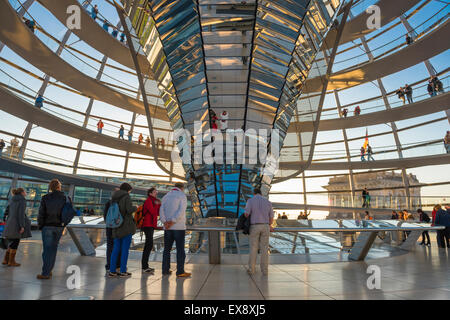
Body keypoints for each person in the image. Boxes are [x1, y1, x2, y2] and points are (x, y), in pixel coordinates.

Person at [36, 179, 66, 279]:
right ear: (59, 187)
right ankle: (49, 270)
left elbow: (41, 213)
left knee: (47, 250)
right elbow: (68, 213)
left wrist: (40, 226)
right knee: (53, 249)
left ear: (50, 187)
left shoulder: (45, 198)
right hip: (59, 227)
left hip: (47, 226)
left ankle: (45, 273)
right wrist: (63, 224)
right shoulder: (65, 198)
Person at [160, 182, 191, 277]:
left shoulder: (166, 196)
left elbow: (161, 210)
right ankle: (180, 271)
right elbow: (181, 211)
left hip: (167, 228)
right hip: (178, 227)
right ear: (182, 188)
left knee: (167, 249)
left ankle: (165, 270)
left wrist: (165, 222)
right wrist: (173, 221)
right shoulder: (182, 195)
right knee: (180, 249)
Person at [108, 183, 137, 277]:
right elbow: (128, 210)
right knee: (125, 250)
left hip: (116, 226)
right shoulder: (126, 196)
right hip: (126, 226)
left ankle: (112, 270)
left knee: (116, 249)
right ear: (128, 190)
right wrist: (135, 207)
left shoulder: (114, 197)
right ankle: (123, 270)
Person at [244, 188, 274, 275]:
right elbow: (271, 218)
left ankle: (251, 269)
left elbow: (246, 214)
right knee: (264, 249)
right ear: (261, 194)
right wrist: (269, 225)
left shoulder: (250, 201)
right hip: (265, 226)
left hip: (255, 226)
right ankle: (265, 270)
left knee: (253, 248)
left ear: (254, 193)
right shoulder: (268, 202)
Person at [2, 188, 32, 267]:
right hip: (16, 224)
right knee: (15, 242)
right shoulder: (22, 200)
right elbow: (21, 214)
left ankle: (6, 260)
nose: (26, 192)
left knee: (11, 241)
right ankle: (11, 261)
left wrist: (5, 218)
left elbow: (7, 210)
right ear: (22, 192)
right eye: (25, 191)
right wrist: (22, 226)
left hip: (10, 223)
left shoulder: (12, 199)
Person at [141, 187, 161, 273]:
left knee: (149, 245)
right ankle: (144, 266)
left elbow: (158, 213)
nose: (156, 192)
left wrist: (159, 204)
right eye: (154, 192)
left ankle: (145, 266)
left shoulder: (155, 201)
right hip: (147, 225)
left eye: (156, 191)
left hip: (151, 225)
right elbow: (153, 212)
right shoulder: (148, 201)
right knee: (148, 245)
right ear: (150, 193)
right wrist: (157, 204)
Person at [103, 188, 120, 275]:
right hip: (117, 228)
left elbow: (105, 217)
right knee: (117, 247)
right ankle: (116, 265)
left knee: (110, 247)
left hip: (109, 228)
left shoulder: (108, 203)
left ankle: (109, 265)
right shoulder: (119, 204)